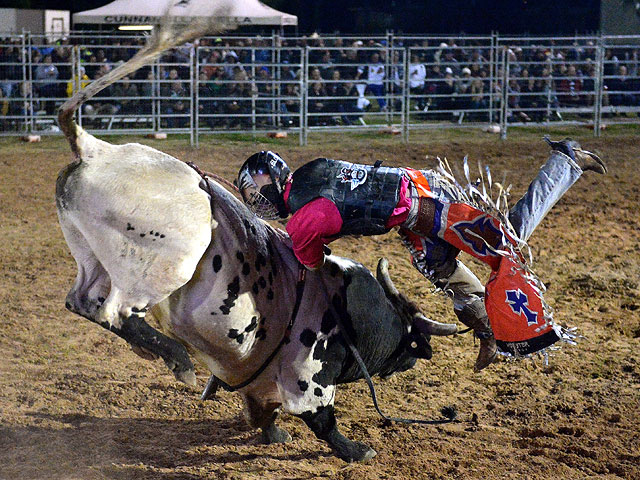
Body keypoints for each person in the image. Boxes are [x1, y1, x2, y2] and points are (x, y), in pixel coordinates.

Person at [237, 139, 607, 371]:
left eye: (254, 189)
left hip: (428, 201)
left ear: (269, 180)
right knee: (440, 268)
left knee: (507, 240)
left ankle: (565, 162)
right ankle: (488, 334)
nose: (254, 198)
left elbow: (311, 261)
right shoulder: (310, 173)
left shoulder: (303, 219)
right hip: (415, 205)